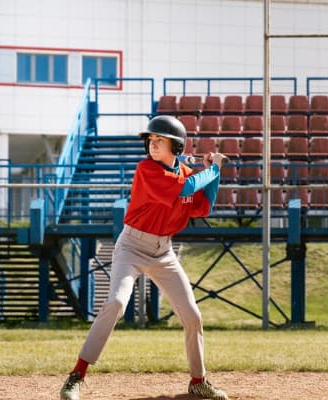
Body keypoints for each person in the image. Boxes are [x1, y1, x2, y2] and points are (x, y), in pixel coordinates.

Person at [60, 115, 229, 400]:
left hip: (164, 252)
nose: (152, 144)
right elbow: (187, 189)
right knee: (115, 302)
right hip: (132, 247)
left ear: (176, 147)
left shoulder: (188, 173)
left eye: (160, 141)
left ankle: (198, 381)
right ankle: (76, 377)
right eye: (151, 140)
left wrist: (214, 174)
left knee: (192, 315)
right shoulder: (146, 169)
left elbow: (203, 207)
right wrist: (213, 169)